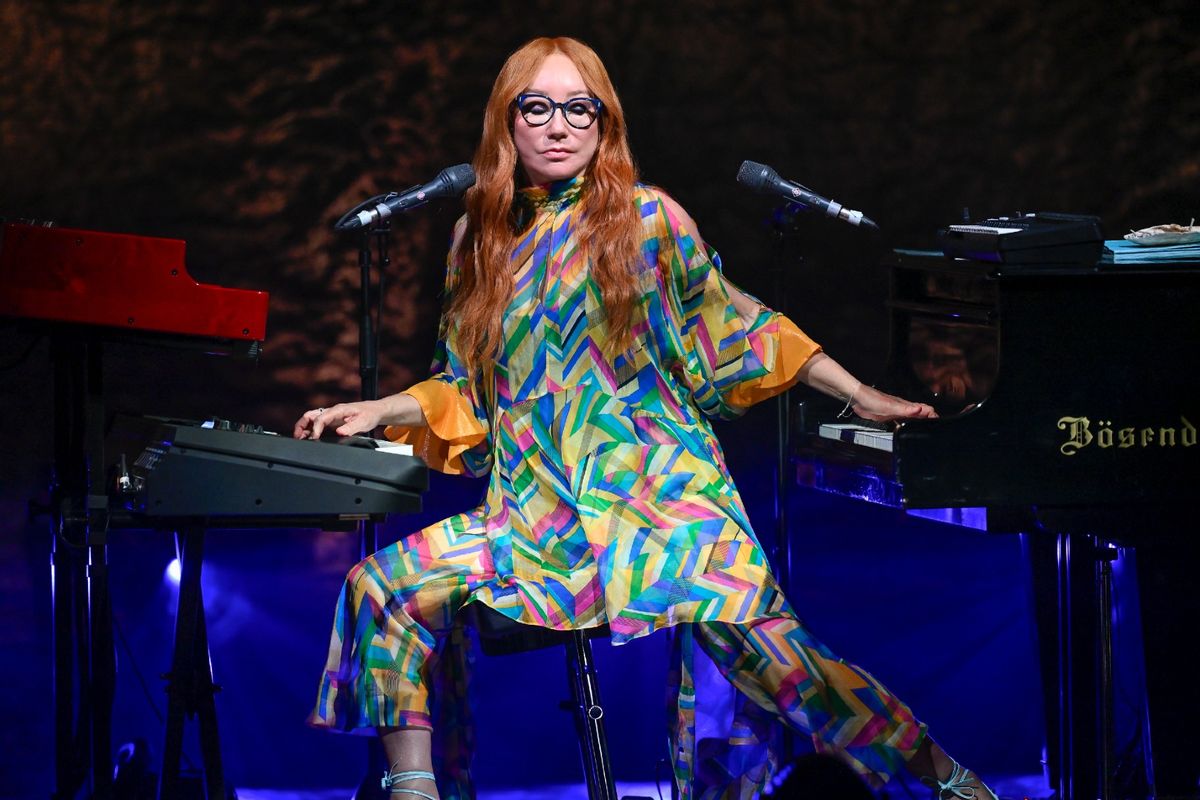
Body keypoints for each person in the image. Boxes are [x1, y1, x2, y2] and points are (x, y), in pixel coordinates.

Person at [296, 36, 997, 800]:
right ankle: (415, 790)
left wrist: (860, 394)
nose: (559, 126)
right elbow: (462, 388)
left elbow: (736, 324)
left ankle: (950, 783)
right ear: (507, 123)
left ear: (604, 124)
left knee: (790, 672)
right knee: (383, 589)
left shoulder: (647, 219)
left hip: (666, 504)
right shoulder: (479, 240)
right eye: (537, 107)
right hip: (537, 518)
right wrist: (376, 407)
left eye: (578, 108)